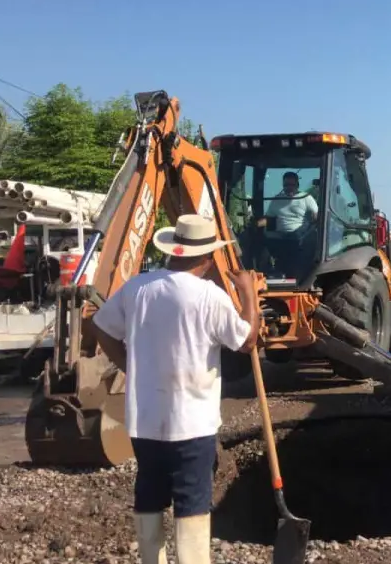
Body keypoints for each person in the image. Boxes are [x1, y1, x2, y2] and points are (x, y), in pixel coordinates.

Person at [90, 214, 261, 564]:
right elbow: (247, 340)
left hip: (145, 420)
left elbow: (101, 327)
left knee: (149, 493)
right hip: (192, 421)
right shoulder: (209, 296)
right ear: (207, 257)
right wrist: (249, 294)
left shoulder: (138, 288)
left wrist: (129, 365)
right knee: (192, 501)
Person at [257, 171, 319, 279]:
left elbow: (316, 215)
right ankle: (266, 272)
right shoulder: (277, 200)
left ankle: (297, 274)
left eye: (292, 185)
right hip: (279, 235)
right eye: (286, 185)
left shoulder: (305, 197)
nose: (289, 188)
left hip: (299, 234)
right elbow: (268, 218)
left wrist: (314, 220)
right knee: (260, 238)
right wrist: (256, 224)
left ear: (297, 185)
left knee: (297, 238)